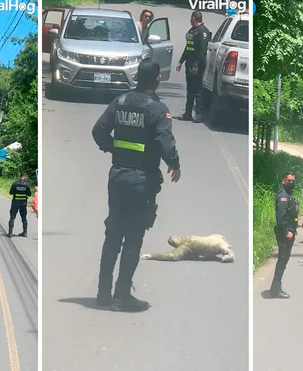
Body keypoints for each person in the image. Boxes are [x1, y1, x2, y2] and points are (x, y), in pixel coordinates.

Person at [92, 58, 181, 312]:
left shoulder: (118, 103)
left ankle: (102, 292)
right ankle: (122, 295)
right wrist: (175, 164)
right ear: (157, 79)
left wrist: (113, 149)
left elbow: (98, 131)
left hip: (117, 177)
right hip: (141, 181)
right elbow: (166, 143)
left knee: (112, 235)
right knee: (132, 238)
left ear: (136, 77)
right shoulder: (157, 109)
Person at [175, 11, 210, 123]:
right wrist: (180, 61)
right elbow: (188, 47)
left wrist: (197, 65)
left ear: (194, 18)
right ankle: (188, 113)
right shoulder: (192, 31)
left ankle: (199, 115)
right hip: (189, 64)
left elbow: (202, 51)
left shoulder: (202, 32)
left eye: (191, 18)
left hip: (197, 65)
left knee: (198, 90)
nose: (190, 20)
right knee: (190, 90)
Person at [270, 172, 299, 299]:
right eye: (289, 180)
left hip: (289, 232)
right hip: (284, 234)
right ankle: (275, 290)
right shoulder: (283, 197)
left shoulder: (289, 195)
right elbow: (280, 218)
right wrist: (287, 231)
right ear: (284, 181)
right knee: (282, 260)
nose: (291, 183)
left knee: (284, 260)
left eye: (293, 181)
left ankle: (277, 286)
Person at [8, 173, 32, 238]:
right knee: (24, 217)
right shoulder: (27, 185)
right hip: (23, 203)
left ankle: (10, 233)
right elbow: (29, 194)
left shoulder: (15, 183)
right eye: (26, 177)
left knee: (12, 217)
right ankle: (25, 232)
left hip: (15, 202)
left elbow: (10, 192)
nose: (27, 179)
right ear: (24, 177)